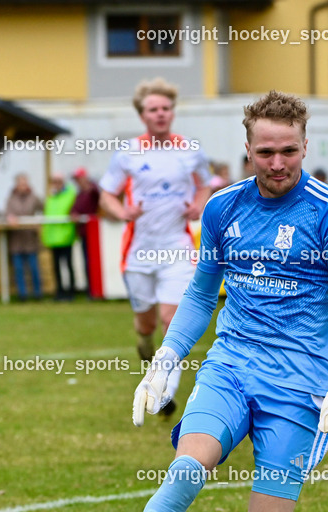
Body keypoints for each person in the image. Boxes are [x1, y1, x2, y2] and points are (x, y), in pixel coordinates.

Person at [78, 90, 328, 512]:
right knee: (185, 471)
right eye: (266, 152)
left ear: (306, 146)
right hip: (231, 367)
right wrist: (167, 359)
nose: (279, 163)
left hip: (300, 386)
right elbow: (199, 292)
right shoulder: (222, 209)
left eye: (289, 150)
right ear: (246, 149)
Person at [99, 77, 211, 415]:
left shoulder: (190, 151)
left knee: (171, 319)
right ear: (142, 115)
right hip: (139, 251)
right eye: (153, 109)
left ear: (172, 112)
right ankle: (144, 345)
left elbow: (206, 185)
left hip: (177, 247)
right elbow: (107, 194)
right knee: (146, 323)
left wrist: (199, 206)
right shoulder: (128, 154)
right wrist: (122, 211)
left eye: (165, 108)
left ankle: (164, 393)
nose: (160, 114)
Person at [4, 173, 43, 301]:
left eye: (25, 183)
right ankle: (22, 294)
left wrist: (39, 222)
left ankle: (38, 294)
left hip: (30, 239)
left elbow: (45, 209)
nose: (23, 186)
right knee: (19, 270)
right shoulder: (11, 199)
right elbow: (6, 214)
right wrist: (9, 218)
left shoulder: (34, 197)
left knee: (34, 269)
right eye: (20, 183)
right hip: (16, 240)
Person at [43, 173, 78, 301]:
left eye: (58, 181)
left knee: (68, 265)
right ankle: (59, 291)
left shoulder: (70, 195)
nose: (56, 184)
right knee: (56, 267)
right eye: (54, 181)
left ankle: (71, 292)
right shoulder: (50, 198)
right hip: (53, 237)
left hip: (65, 235)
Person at [69, 168, 101, 299]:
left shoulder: (93, 191)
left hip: (94, 233)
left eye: (79, 179)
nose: (78, 182)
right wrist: (74, 215)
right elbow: (74, 210)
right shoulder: (79, 194)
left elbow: (99, 197)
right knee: (86, 262)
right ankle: (90, 290)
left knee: (93, 262)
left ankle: (95, 291)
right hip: (84, 233)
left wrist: (91, 185)